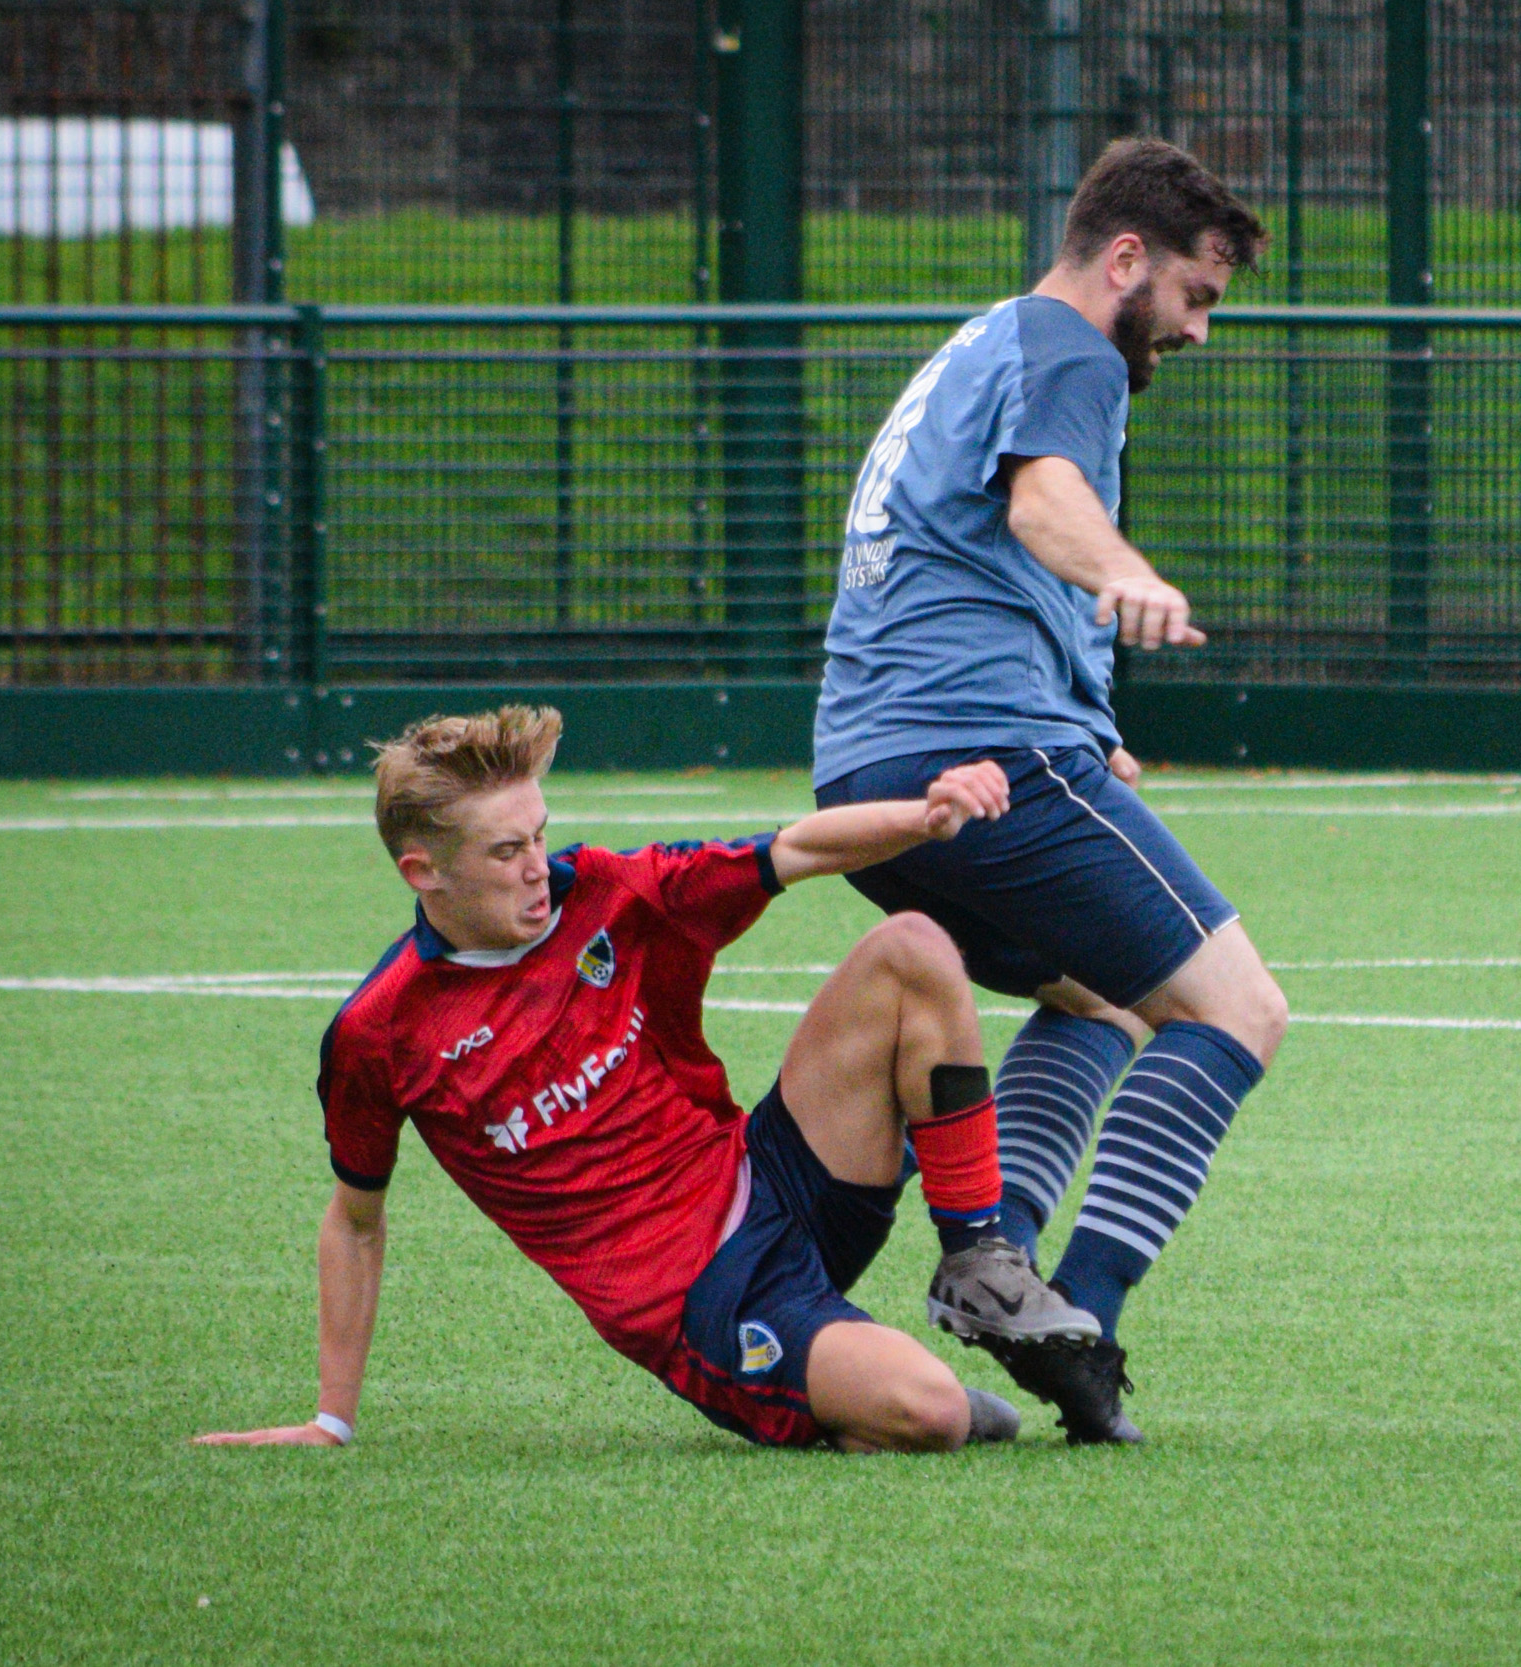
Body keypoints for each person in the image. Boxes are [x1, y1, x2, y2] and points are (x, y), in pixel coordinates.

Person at [193, 705, 1097, 1456]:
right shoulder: (381, 1030)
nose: (537, 867)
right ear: (421, 871)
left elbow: (794, 850)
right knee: (931, 1412)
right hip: (702, 1299)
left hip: (777, 1171)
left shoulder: (606, 891)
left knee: (912, 949)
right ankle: (891, 1386)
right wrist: (330, 1420)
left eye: (539, 835)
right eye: (506, 851)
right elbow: (354, 1221)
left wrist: (925, 817)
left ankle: (979, 1260)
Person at [812, 138, 1287, 1443]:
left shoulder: (983, 346)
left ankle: (998, 1261)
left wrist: (1096, 718)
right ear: (1125, 258)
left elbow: (972, 542)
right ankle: (1084, 1305)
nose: (1196, 328)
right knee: (1239, 1008)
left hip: (875, 769)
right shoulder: (1070, 349)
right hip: (986, 751)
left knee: (1098, 997)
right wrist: (1131, 572)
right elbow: (1043, 508)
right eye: (1196, 294)